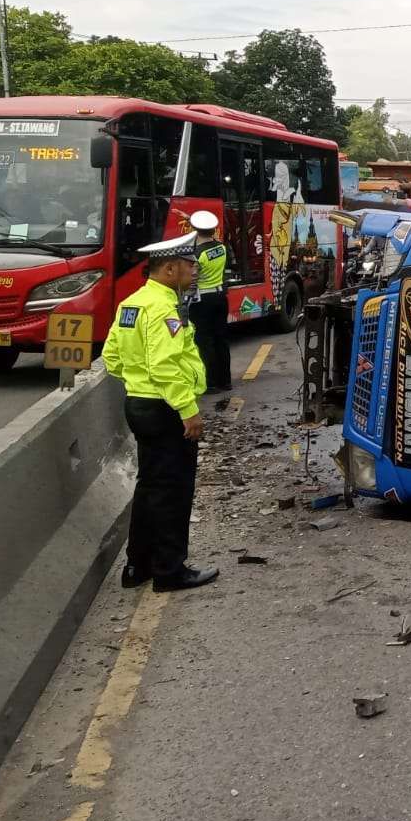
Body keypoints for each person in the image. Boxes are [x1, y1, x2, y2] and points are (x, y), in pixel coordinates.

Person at [102, 233, 218, 593]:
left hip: (140, 404)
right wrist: (188, 410)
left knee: (150, 486)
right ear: (169, 269)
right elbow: (165, 366)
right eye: (189, 265)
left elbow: (111, 358)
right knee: (173, 490)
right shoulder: (164, 308)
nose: (196, 270)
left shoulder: (132, 304)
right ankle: (170, 570)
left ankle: (138, 566)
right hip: (166, 409)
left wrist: (138, 384)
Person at [187, 210, 232, 394]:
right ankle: (226, 381)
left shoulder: (197, 254)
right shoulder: (221, 248)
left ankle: (211, 382)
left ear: (196, 230)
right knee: (221, 339)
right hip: (220, 297)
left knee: (205, 341)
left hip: (202, 300)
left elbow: (193, 279)